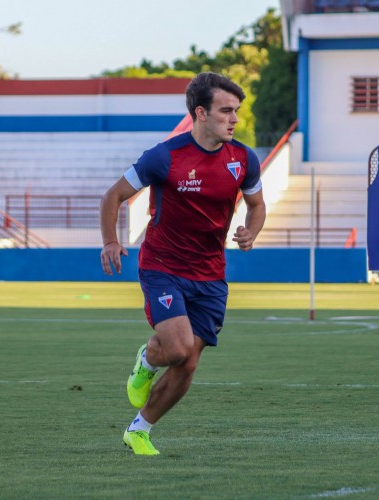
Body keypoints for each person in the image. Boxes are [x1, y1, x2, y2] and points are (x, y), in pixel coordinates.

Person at [99, 72, 266, 456]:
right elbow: (114, 196)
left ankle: (138, 430)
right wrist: (111, 240)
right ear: (201, 113)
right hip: (163, 266)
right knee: (176, 348)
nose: (235, 119)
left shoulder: (243, 159)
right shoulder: (165, 156)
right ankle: (147, 359)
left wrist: (250, 232)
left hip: (210, 274)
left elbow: (257, 206)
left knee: (188, 363)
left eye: (236, 111)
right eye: (227, 111)